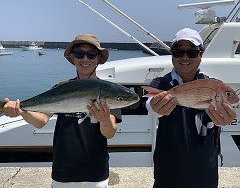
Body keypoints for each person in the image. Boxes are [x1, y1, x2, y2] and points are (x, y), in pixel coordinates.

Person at [3, 34, 122, 188]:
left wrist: (105, 120)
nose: (85, 59)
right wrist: (21, 111)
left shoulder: (108, 92)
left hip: (96, 174)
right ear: (73, 57)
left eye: (91, 54)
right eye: (80, 54)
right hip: (63, 173)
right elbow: (40, 122)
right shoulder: (61, 88)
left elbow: (109, 133)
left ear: (98, 58)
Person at [145, 28, 237, 188]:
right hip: (168, 176)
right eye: (178, 52)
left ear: (201, 55)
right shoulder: (161, 84)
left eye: (192, 53)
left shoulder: (213, 84)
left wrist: (224, 120)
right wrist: (155, 107)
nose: (185, 57)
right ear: (172, 55)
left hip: (205, 175)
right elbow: (151, 107)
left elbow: (219, 122)